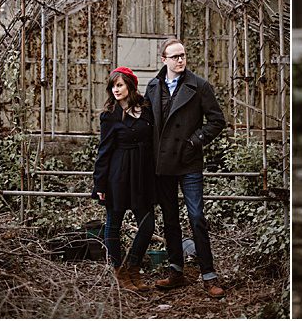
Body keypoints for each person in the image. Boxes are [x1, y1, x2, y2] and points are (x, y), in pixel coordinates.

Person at [144, 38, 227, 297]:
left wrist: (195, 140)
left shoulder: (199, 86)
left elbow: (217, 121)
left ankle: (209, 276)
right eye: (175, 56)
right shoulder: (153, 86)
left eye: (183, 55)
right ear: (164, 60)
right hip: (163, 164)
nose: (181, 60)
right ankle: (175, 271)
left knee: (196, 217)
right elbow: (148, 124)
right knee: (170, 219)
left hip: (188, 161)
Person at [92, 66, 157, 292]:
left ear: (130, 85)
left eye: (119, 84)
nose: (115, 89)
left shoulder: (146, 109)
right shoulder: (109, 115)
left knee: (148, 225)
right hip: (118, 174)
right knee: (113, 224)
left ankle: (133, 267)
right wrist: (100, 183)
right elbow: (104, 150)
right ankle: (118, 272)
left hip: (142, 174)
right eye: (113, 86)